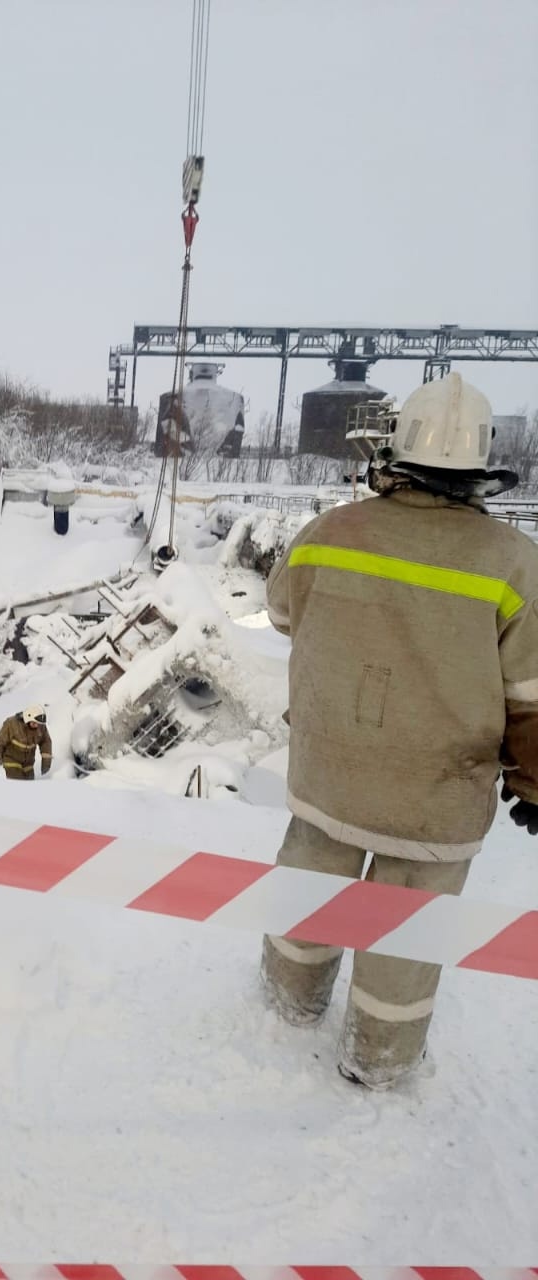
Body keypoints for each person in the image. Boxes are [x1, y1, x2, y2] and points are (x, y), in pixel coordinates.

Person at [261, 371, 538, 1089]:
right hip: (433, 803)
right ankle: (377, 1064)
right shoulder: (514, 563)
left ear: (395, 452)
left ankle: (284, 1016)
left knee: (305, 908)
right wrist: (532, 781)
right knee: (404, 942)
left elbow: (284, 617)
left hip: (328, 778)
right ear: (481, 466)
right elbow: (532, 695)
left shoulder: (327, 534)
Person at [0, 705, 52, 780]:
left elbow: (46, 742)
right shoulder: (11, 724)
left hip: (28, 763)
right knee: (18, 783)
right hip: (11, 760)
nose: (37, 726)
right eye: (34, 723)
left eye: (38, 724)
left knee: (30, 785)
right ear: (28, 718)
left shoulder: (41, 727)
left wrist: (46, 762)